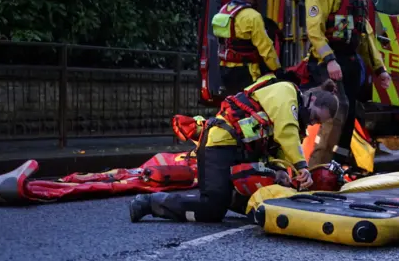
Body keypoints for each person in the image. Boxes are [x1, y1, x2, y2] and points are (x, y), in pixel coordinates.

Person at [129, 74, 339, 223]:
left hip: (240, 151)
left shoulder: (294, 115)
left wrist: (282, 171)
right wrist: (301, 166)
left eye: (315, 123)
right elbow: (286, 133)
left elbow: (278, 150)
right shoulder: (286, 93)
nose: (311, 123)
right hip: (219, 144)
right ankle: (149, 203)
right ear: (310, 99)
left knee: (261, 204)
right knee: (212, 209)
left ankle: (229, 195)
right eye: (314, 117)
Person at [303, 0, 391, 166]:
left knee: (350, 115)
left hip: (349, 64)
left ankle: (338, 167)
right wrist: (330, 60)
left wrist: (380, 69)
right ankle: (315, 168)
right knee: (336, 111)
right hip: (327, 63)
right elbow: (315, 31)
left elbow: (366, 37)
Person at [213, 0, 284, 95]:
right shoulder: (253, 16)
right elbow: (266, 48)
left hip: (225, 69)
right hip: (246, 71)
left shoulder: (224, 10)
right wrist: (277, 69)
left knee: (233, 104)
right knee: (250, 104)